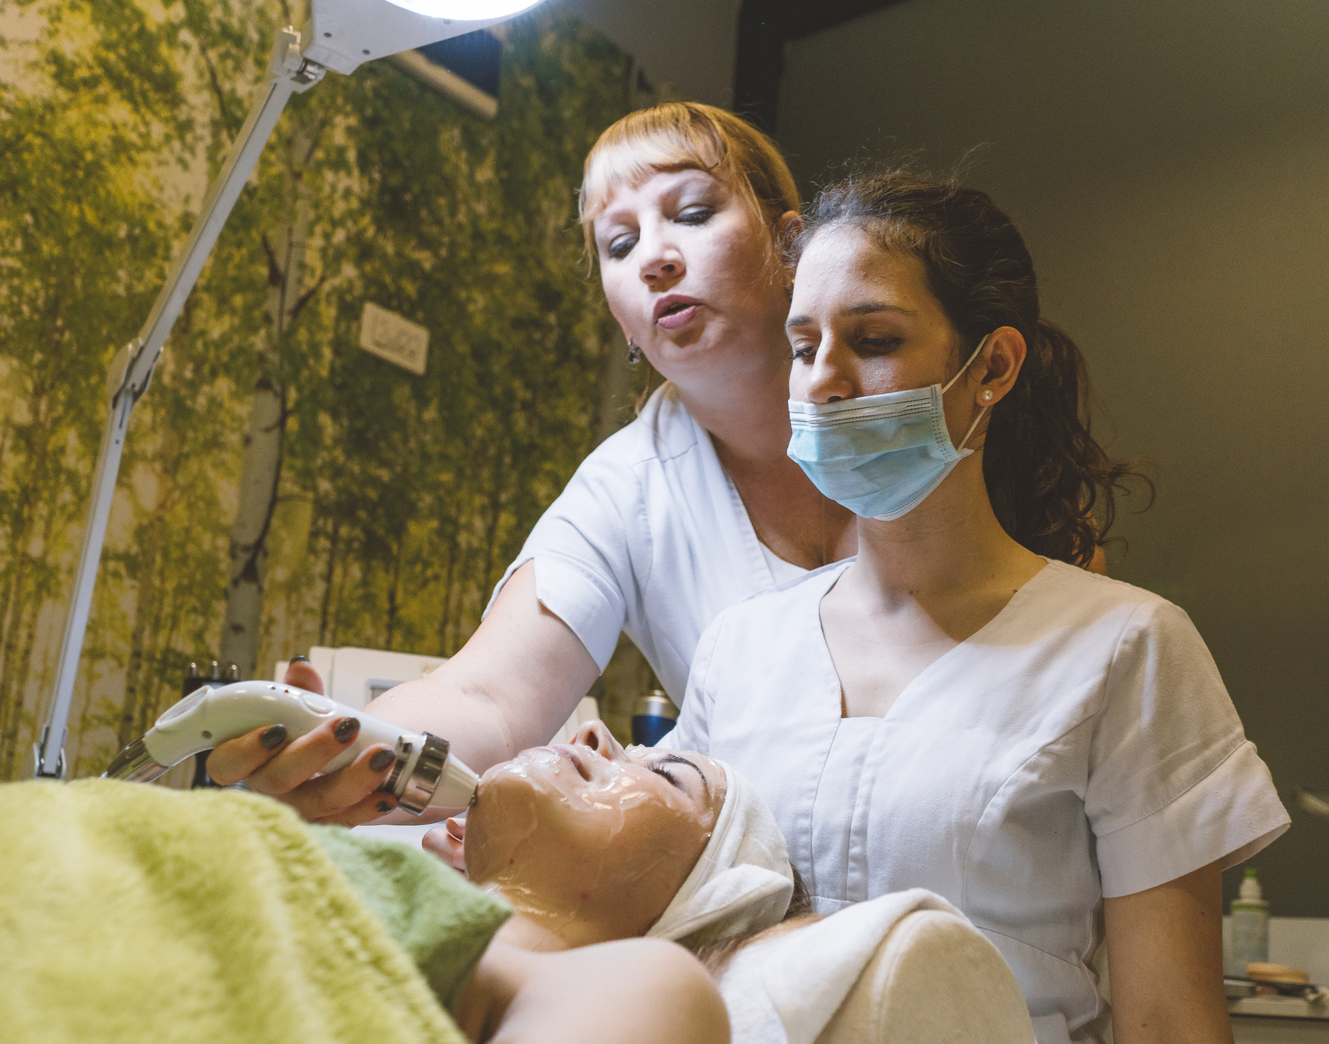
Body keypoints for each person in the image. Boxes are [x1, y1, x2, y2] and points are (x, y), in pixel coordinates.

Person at [667, 170, 1290, 1044]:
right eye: (802, 347)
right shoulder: (740, 650)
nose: (824, 381)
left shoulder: (1125, 648)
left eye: (874, 341)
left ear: (992, 368)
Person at [207, 103, 852, 818]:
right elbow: (488, 696)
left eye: (693, 214)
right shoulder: (626, 488)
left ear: (792, 247)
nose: (654, 259)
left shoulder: (917, 415)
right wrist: (348, 747)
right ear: (620, 319)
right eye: (619, 245)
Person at [409, 734, 791, 1044]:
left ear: (705, 905)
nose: (594, 734)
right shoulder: (387, 884)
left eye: (666, 774)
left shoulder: (662, 996)